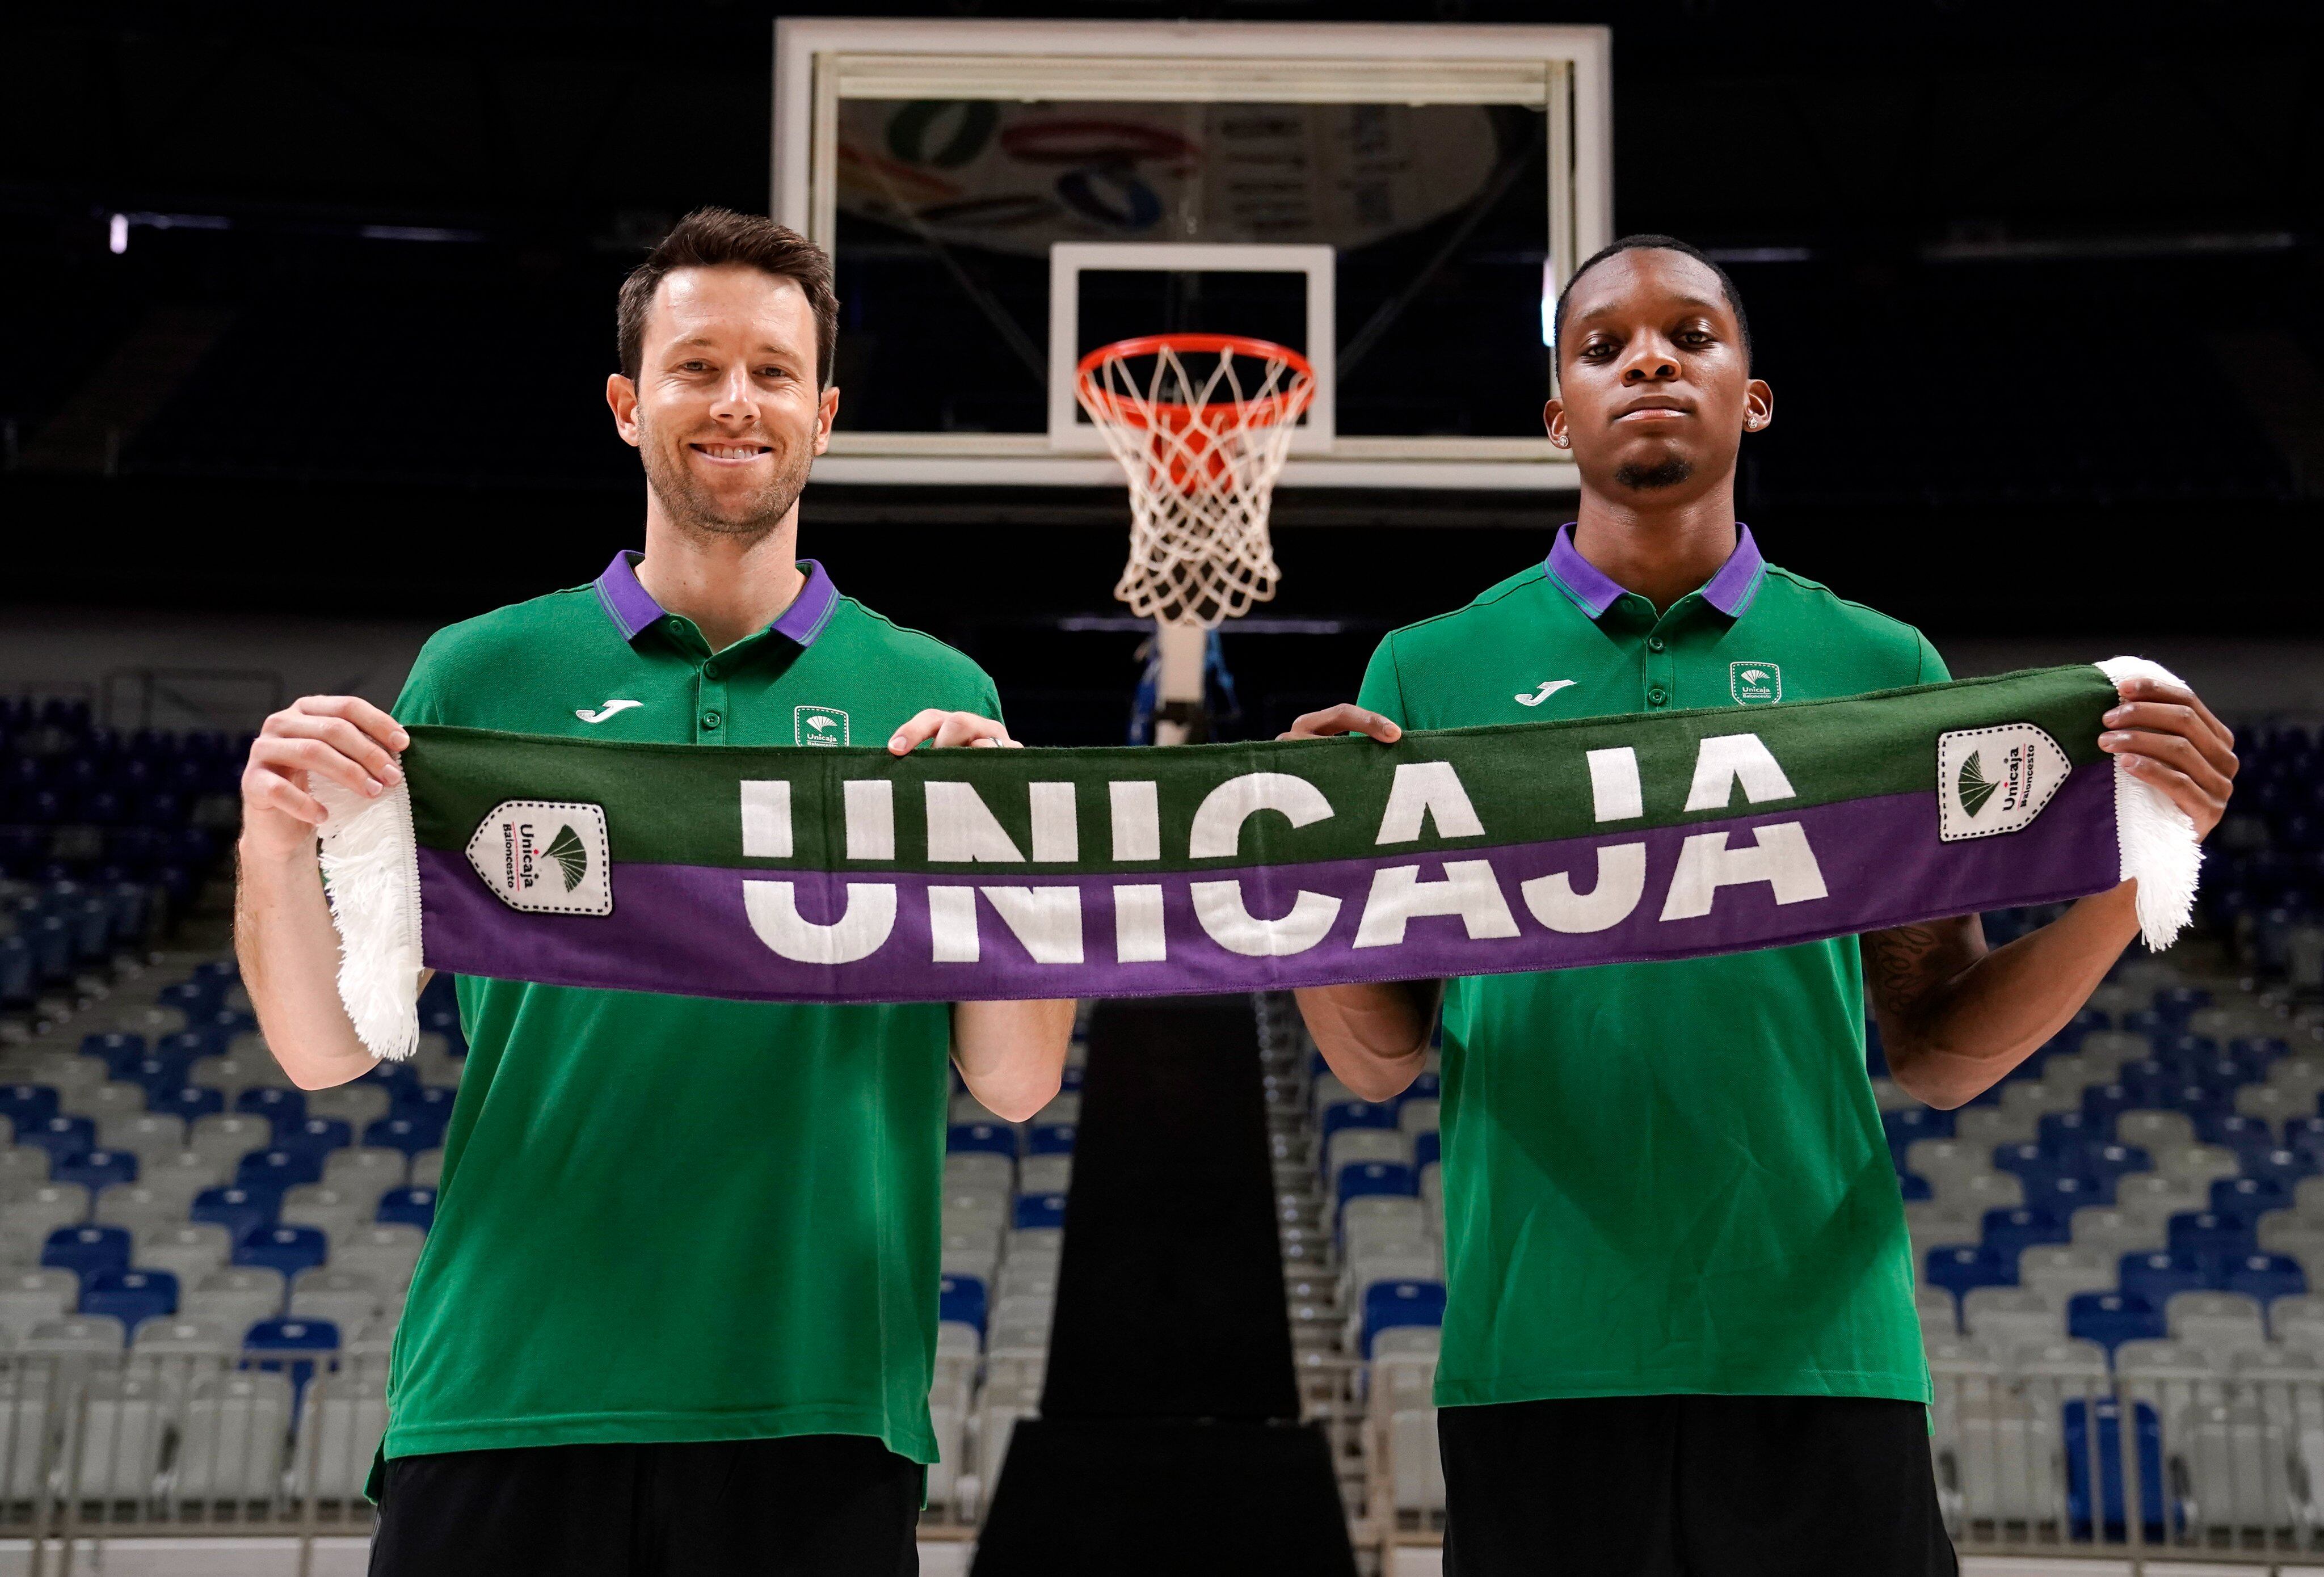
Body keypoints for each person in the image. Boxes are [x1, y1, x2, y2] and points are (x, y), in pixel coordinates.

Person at [1285, 234, 2237, 1576]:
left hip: (1823, 1359)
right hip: (1536, 1361)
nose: (1650, 360)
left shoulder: (1878, 667)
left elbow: (1936, 1047)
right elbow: (1377, 1055)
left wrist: (2133, 869)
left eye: (1690, 335)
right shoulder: (1430, 667)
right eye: (1603, 347)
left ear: (1754, 394)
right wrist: (1314, 882)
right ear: (1557, 414)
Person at [234, 208, 1076, 1576]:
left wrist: (1003, 855)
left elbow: (1018, 1082)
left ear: (825, 411)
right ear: (629, 405)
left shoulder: (937, 698)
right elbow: (326, 1048)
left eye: (772, 371)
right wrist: (273, 844)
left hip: (814, 1409)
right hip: (505, 1391)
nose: (734, 402)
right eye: (694, 366)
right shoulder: (479, 675)